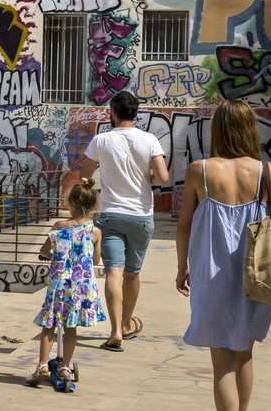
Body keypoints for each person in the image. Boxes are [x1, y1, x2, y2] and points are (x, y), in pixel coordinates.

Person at [176, 99, 271, 411]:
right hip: (255, 278)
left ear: (217, 129)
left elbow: (183, 226)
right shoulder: (267, 172)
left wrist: (182, 267)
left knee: (222, 363)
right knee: (244, 354)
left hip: (212, 277)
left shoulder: (199, 171)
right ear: (250, 130)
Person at [78, 90, 168, 349]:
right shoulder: (149, 139)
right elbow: (162, 178)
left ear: (113, 113)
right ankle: (128, 324)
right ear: (134, 113)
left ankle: (116, 330)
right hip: (141, 215)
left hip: (110, 215)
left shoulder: (101, 140)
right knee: (132, 273)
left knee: (113, 272)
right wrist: (146, 179)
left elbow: (85, 177)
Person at [26, 180, 107, 393]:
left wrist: (54, 256)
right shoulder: (95, 232)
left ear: (69, 203)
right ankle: (64, 368)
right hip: (81, 288)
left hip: (59, 284)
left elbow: (44, 251)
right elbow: (96, 260)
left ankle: (43, 365)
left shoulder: (59, 227)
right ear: (93, 206)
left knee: (49, 325)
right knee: (71, 327)